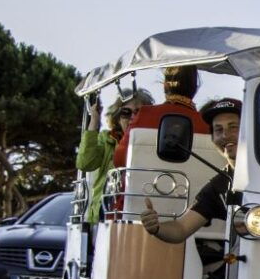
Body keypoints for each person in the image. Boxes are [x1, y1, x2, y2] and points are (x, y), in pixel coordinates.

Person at [140, 98, 241, 243]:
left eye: (233, 127)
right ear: (212, 138)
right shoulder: (219, 186)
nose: (225, 135)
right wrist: (157, 228)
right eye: (218, 130)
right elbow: (181, 228)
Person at [76, 89, 153, 224]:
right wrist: (94, 121)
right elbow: (85, 164)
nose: (132, 117)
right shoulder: (107, 139)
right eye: (126, 113)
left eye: (139, 112)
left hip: (141, 215)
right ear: (117, 118)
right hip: (107, 213)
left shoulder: (154, 143)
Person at [113, 65, 209, 168]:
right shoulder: (208, 124)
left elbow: (119, 160)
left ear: (165, 85)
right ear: (195, 87)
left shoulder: (145, 114)